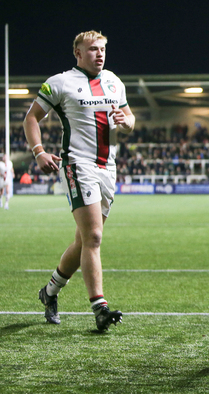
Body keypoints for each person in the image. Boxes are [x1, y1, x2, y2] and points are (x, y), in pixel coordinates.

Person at [23, 30, 135, 330]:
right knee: (94, 237)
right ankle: (100, 307)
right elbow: (31, 117)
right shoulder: (60, 82)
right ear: (78, 53)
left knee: (83, 240)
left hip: (107, 169)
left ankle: (49, 292)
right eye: (93, 49)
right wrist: (39, 152)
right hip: (77, 165)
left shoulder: (114, 81)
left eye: (102, 49)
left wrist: (127, 123)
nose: (99, 54)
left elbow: (129, 119)